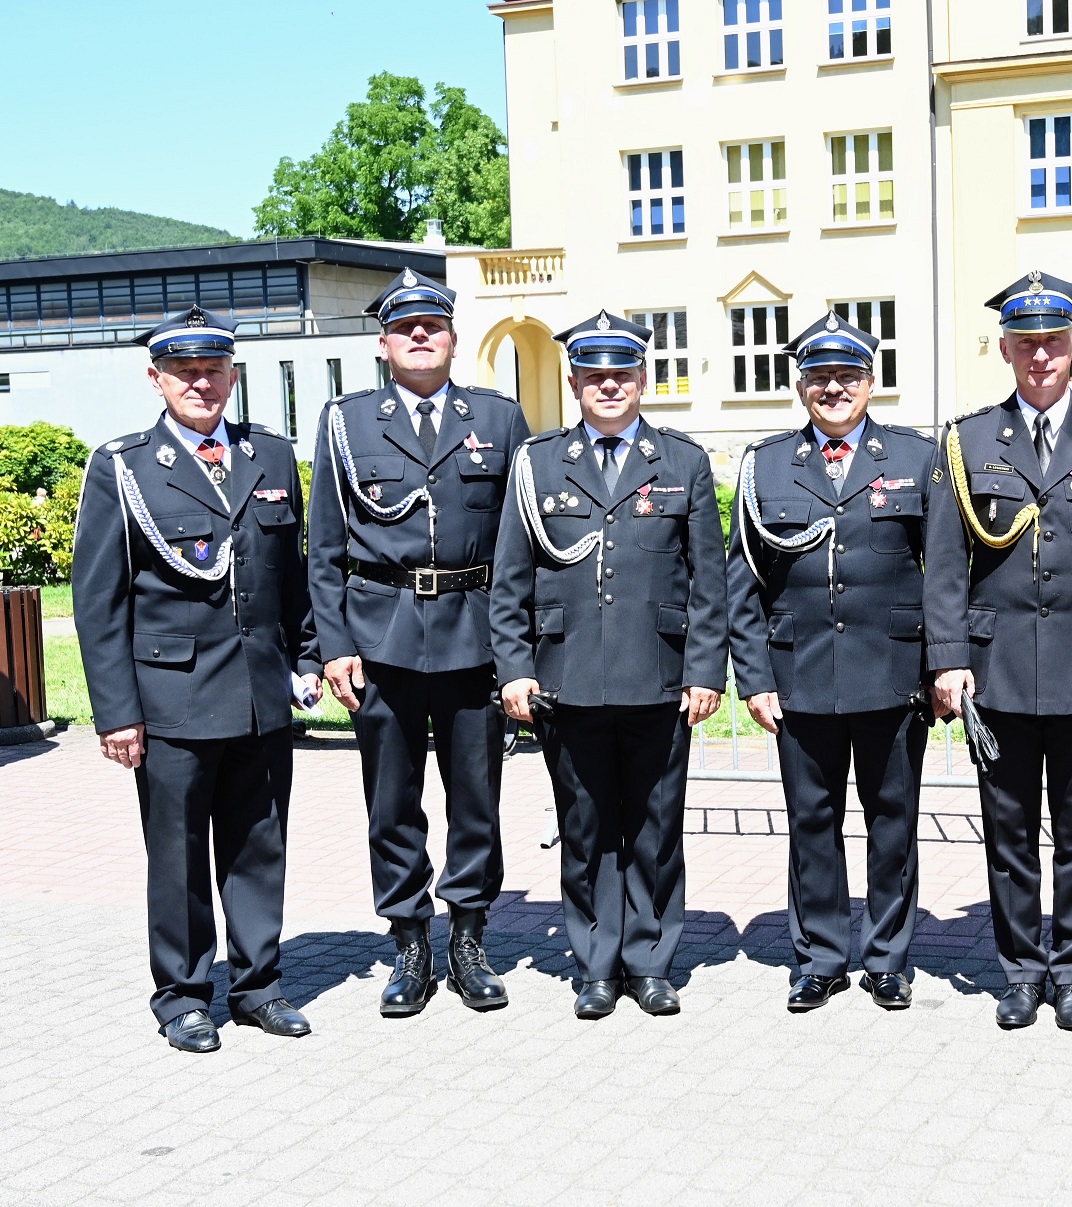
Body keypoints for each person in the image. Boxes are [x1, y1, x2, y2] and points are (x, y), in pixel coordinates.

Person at [72, 308, 319, 1052]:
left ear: (233, 376)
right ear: (157, 379)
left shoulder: (270, 456)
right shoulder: (124, 466)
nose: (201, 383)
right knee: (177, 856)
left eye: (214, 370)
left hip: (260, 696)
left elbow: (292, 579)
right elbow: (99, 601)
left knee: (258, 847)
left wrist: (307, 658)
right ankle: (182, 995)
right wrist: (117, 712)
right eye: (185, 372)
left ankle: (258, 985)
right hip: (171, 699)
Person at [924, 270, 1072, 1032]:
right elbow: (945, 564)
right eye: (1025, 342)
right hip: (996, 672)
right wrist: (949, 657)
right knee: (1009, 830)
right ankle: (1023, 969)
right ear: (1005, 348)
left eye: (1053, 341)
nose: (1040, 356)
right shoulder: (966, 442)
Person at [307, 270, 532, 1017]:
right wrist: (334, 645)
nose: (419, 336)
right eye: (405, 328)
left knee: (476, 800)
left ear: (453, 339)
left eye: (432, 326)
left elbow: (519, 544)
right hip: (382, 637)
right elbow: (325, 547)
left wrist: (518, 649)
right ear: (383, 344)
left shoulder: (498, 418)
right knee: (392, 802)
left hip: (475, 635)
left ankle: (468, 938)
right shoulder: (346, 422)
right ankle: (410, 940)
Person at [490, 311, 726, 1020]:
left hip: (659, 677)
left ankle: (650, 962)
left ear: (643, 378)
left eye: (622, 373)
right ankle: (596, 963)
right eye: (595, 375)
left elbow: (707, 580)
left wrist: (705, 670)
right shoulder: (537, 463)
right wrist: (515, 667)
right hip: (567, 677)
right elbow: (510, 578)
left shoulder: (681, 462)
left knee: (655, 827)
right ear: (574, 383)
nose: (610, 385)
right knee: (586, 827)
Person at [725, 313, 936, 1013]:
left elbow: (944, 574)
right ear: (800, 385)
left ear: (872, 383)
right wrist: (754, 677)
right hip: (800, 676)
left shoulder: (915, 457)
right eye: (819, 376)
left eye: (848, 375)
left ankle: (887, 958)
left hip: (893, 674)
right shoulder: (765, 464)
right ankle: (819, 958)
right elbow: (741, 581)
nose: (834, 388)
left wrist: (940, 667)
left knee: (891, 821)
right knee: (811, 822)